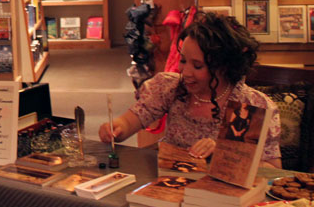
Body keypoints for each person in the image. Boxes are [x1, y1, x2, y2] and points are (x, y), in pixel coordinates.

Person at [100, 11, 281, 168]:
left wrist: (225, 153)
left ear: (225, 67)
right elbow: (133, 119)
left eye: (198, 66)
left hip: (223, 198)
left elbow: (273, 170)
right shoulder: (170, 88)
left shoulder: (253, 105)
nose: (185, 72)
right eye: (183, 60)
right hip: (170, 185)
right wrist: (117, 128)